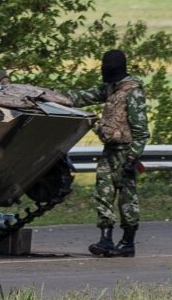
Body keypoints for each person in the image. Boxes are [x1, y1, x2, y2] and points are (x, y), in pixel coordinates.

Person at [57, 49, 149, 256]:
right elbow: (83, 96)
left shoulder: (132, 91)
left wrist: (132, 157)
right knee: (103, 193)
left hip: (126, 152)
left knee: (127, 199)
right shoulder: (111, 88)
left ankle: (127, 243)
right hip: (110, 150)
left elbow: (141, 131)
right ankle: (105, 239)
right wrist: (55, 97)